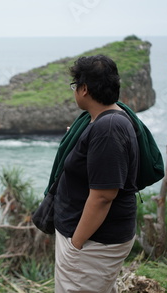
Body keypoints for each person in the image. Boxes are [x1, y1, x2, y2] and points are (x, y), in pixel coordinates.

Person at [51, 55, 139, 292]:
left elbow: (103, 196)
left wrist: (76, 245)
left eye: (75, 86)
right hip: (91, 240)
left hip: (92, 242)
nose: (74, 91)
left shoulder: (108, 129)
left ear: (84, 89)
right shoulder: (105, 120)